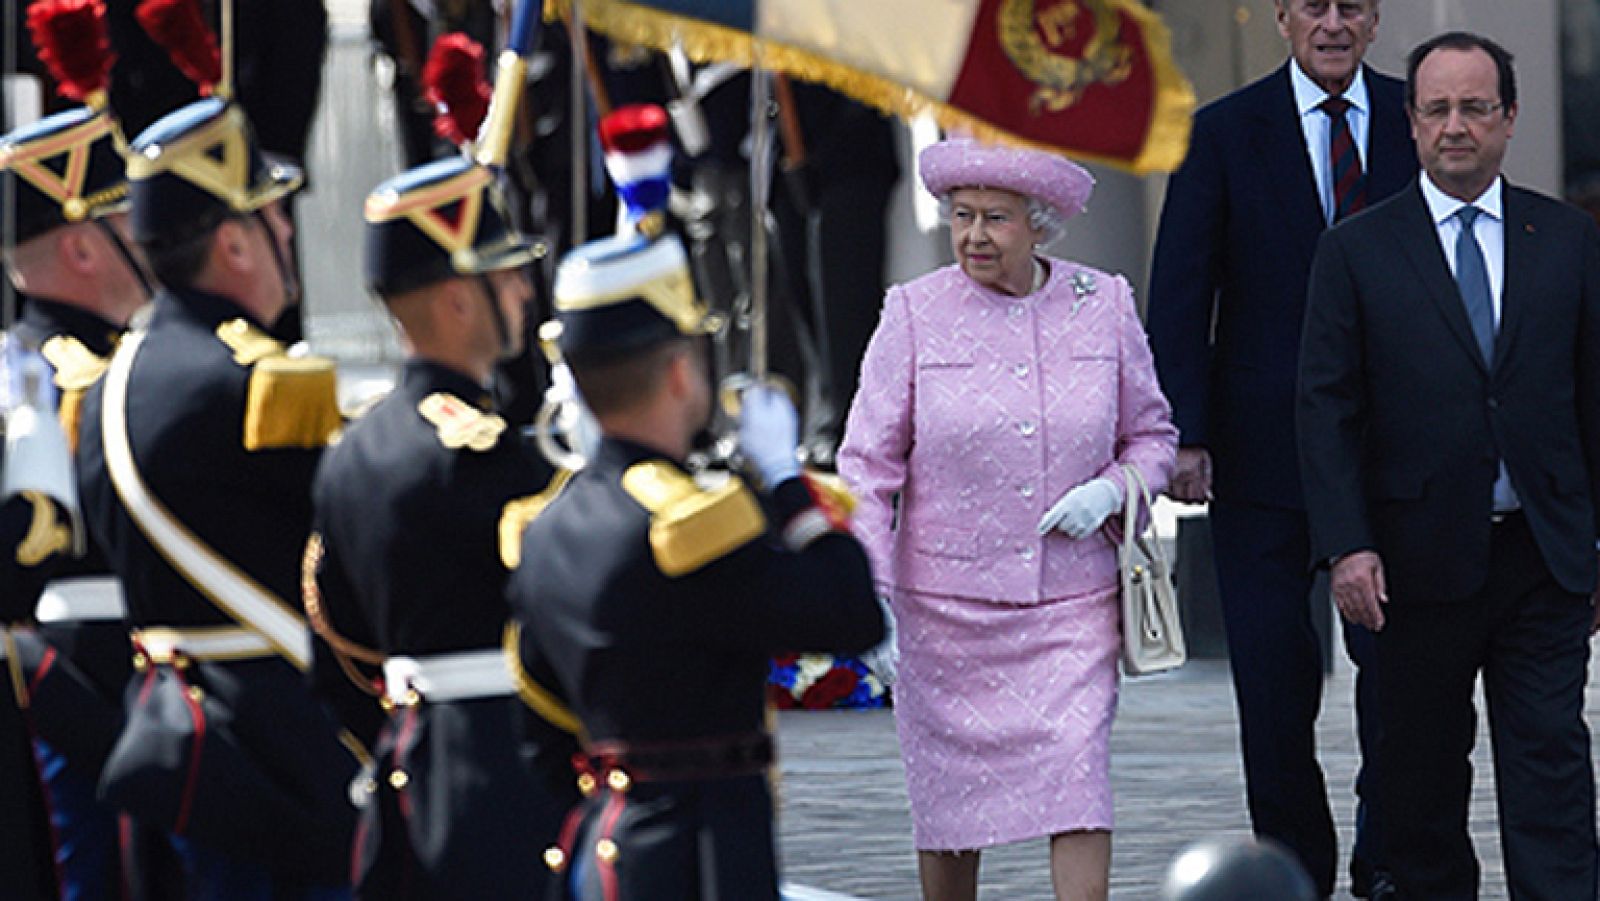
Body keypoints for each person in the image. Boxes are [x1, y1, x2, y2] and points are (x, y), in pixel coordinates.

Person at [1299, 30, 1600, 900]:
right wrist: (1347, 545)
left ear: (1509, 119)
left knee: (1552, 765)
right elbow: (1325, 410)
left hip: (1541, 557)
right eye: (1438, 109)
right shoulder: (1356, 250)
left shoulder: (1569, 239)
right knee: (1420, 784)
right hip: (1408, 564)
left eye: (1476, 108)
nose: (1456, 126)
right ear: (1412, 122)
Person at [837, 138, 1177, 901]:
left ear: (1041, 222)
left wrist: (1117, 489)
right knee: (951, 824)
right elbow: (865, 466)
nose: (974, 236)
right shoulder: (913, 313)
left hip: (1072, 607)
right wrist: (871, 594)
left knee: (1080, 786)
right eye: (961, 216)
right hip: (945, 615)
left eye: (995, 217)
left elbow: (1153, 436)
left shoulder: (1104, 303)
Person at [505, 230, 885, 899]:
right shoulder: (691, 529)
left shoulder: (545, 527)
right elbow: (851, 613)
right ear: (681, 372)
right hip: (703, 856)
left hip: (606, 843)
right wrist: (786, 481)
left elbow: (540, 719)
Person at [1144, 1, 1414, 894]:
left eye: (1352, 5)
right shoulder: (1220, 133)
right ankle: (1293, 872)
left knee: (1401, 687)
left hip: (1396, 455)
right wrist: (1182, 431)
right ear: (1281, 18)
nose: (1332, 23)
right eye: (1312, 5)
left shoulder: (1424, 120)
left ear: (1375, 19)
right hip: (1260, 455)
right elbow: (1183, 285)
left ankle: (1386, 866)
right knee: (1272, 689)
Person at [74, 96, 364, 898]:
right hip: (274, 757)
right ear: (235, 240)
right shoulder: (255, 383)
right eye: (273, 218)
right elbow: (342, 566)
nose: (287, 237)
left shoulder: (108, 383)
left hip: (172, 743)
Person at [303, 152, 581, 899]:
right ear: (459, 299)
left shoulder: (351, 450)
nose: (526, 289)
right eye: (505, 273)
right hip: (507, 769)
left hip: (407, 764)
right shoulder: (481, 457)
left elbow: (340, 639)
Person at [0, 8, 170, 891]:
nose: (150, 240)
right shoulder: (49, 378)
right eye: (127, 224)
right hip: (87, 684)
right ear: (79, 243)